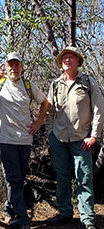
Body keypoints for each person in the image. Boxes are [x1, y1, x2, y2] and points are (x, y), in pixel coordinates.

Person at [0, 52, 49, 229]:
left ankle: (9, 210)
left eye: (16, 64)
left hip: (26, 139)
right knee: (13, 178)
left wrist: (38, 122)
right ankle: (21, 218)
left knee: (18, 178)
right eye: (10, 65)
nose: (13, 68)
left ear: (22, 67)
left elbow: (45, 103)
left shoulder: (28, 85)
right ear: (6, 66)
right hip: (6, 139)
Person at [46, 46, 104, 229]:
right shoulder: (55, 84)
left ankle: (87, 217)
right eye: (64, 58)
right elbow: (48, 111)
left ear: (78, 61)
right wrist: (50, 133)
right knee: (62, 177)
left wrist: (94, 135)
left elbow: (98, 109)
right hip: (59, 138)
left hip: (81, 139)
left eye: (71, 57)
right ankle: (65, 212)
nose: (67, 60)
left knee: (84, 177)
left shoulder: (87, 82)